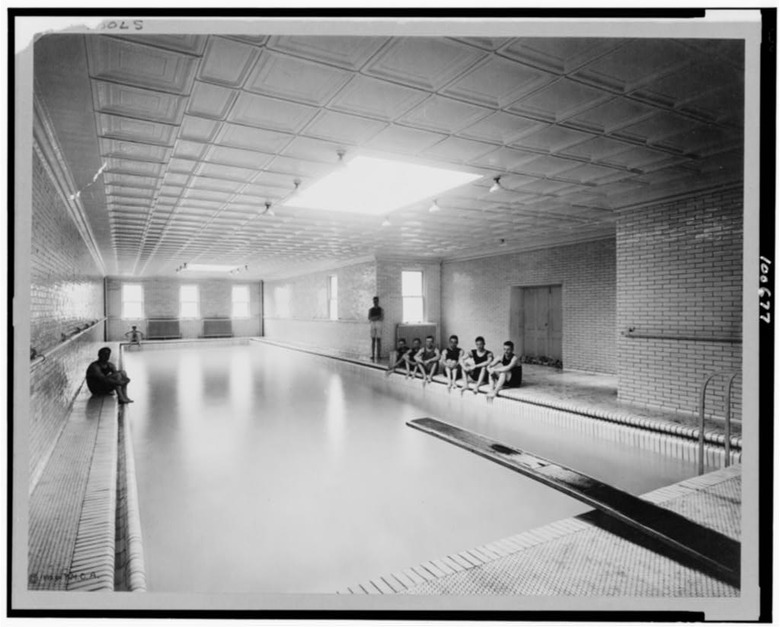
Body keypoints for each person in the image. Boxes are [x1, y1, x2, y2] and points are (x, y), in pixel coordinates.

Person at [368, 296, 384, 362]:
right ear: (373, 302)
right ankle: (373, 355)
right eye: (374, 301)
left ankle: (379, 355)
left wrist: (374, 318)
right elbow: (369, 317)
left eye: (376, 301)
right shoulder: (371, 309)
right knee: (373, 340)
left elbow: (382, 317)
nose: (375, 302)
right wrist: (377, 317)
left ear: (378, 301)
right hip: (372, 324)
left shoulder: (381, 309)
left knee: (379, 340)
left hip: (379, 324)